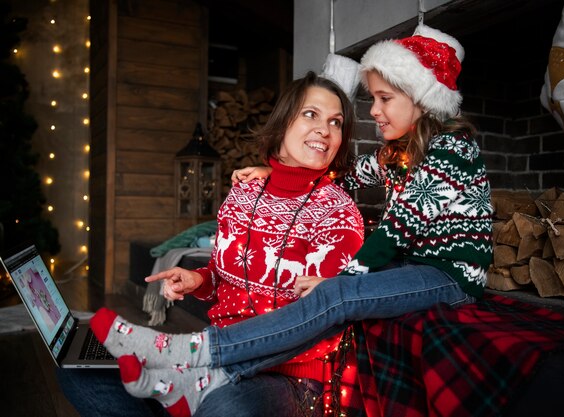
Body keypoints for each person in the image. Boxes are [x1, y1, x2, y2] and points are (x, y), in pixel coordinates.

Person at [89, 24, 493, 416]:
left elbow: (398, 226)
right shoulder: (392, 156)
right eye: (311, 115)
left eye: (383, 99)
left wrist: (344, 281)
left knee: (327, 303)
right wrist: (274, 172)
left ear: (420, 98)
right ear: (283, 124)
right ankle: (185, 380)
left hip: (442, 279)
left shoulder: (449, 152)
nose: (373, 111)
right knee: (83, 379)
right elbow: (345, 175)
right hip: (404, 269)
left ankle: (187, 358)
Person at [58, 71, 364, 417]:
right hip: (207, 360)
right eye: (311, 114)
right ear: (282, 123)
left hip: (288, 376)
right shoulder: (244, 191)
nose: (325, 130)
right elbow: (224, 273)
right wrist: (199, 279)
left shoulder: (338, 212)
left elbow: (321, 314)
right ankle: (184, 393)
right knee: (79, 371)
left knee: (225, 407)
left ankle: (185, 393)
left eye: (336, 122)